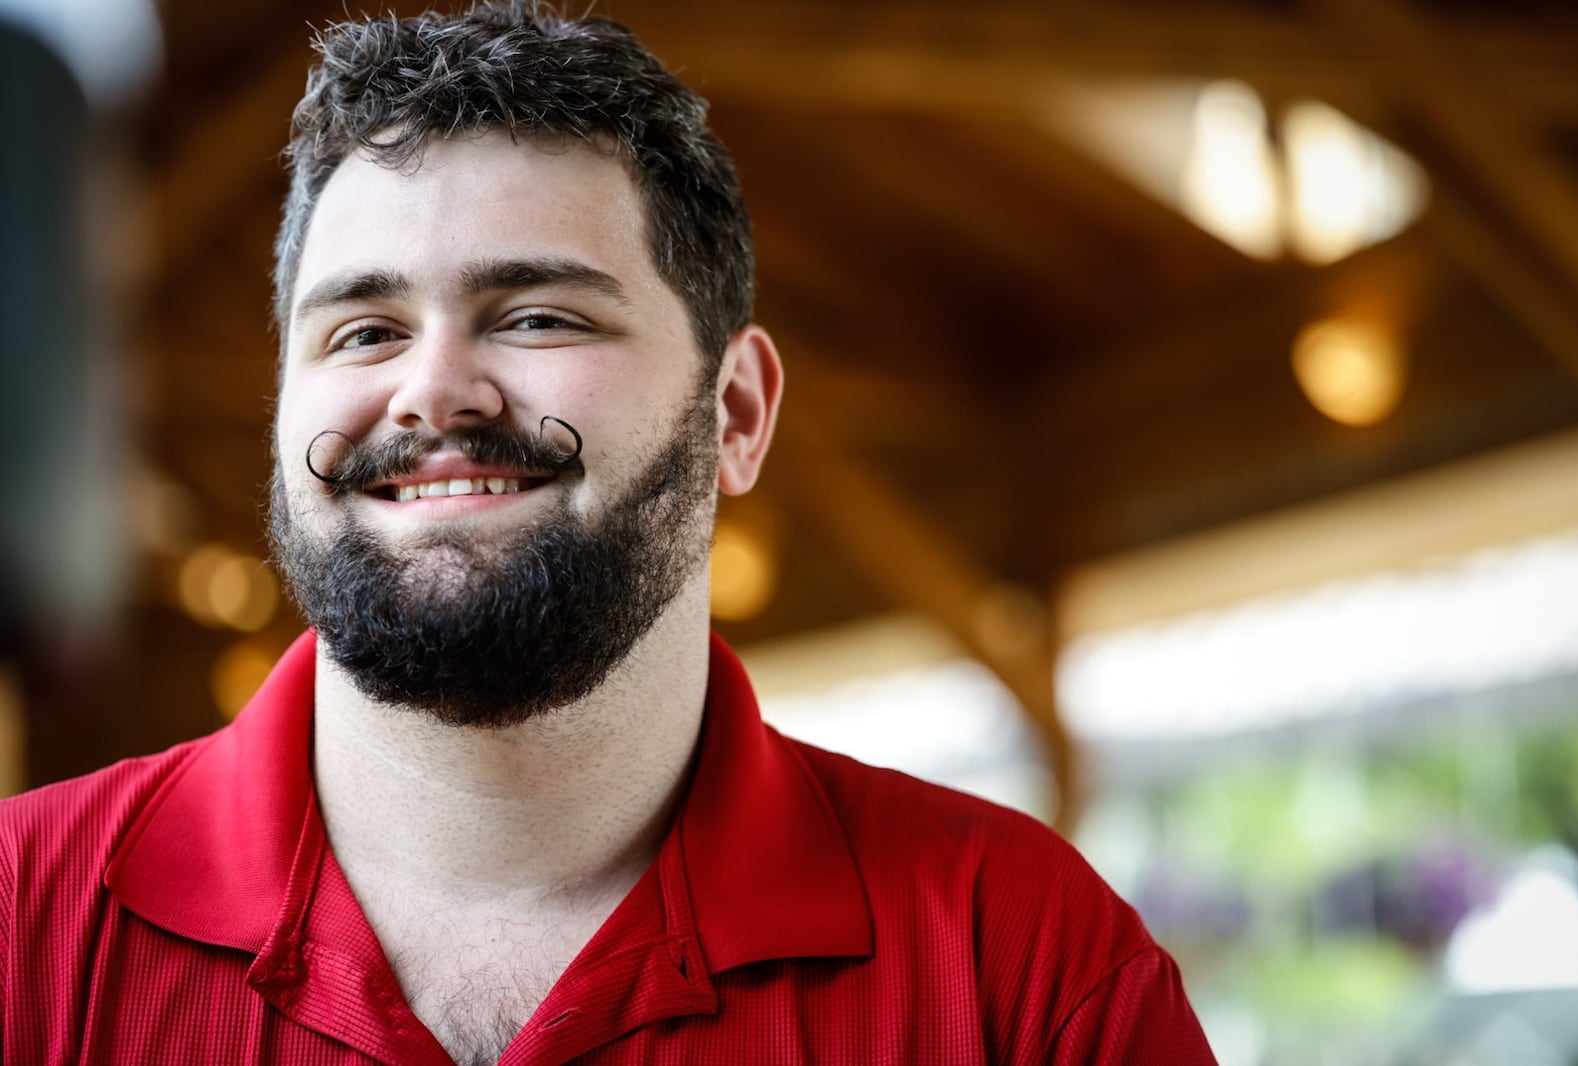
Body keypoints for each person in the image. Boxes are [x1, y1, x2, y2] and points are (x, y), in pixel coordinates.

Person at [0, 4, 1217, 1063]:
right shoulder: (18, 921)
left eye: (535, 315)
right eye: (362, 332)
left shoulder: (1023, 966)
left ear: (735, 412)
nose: (432, 391)